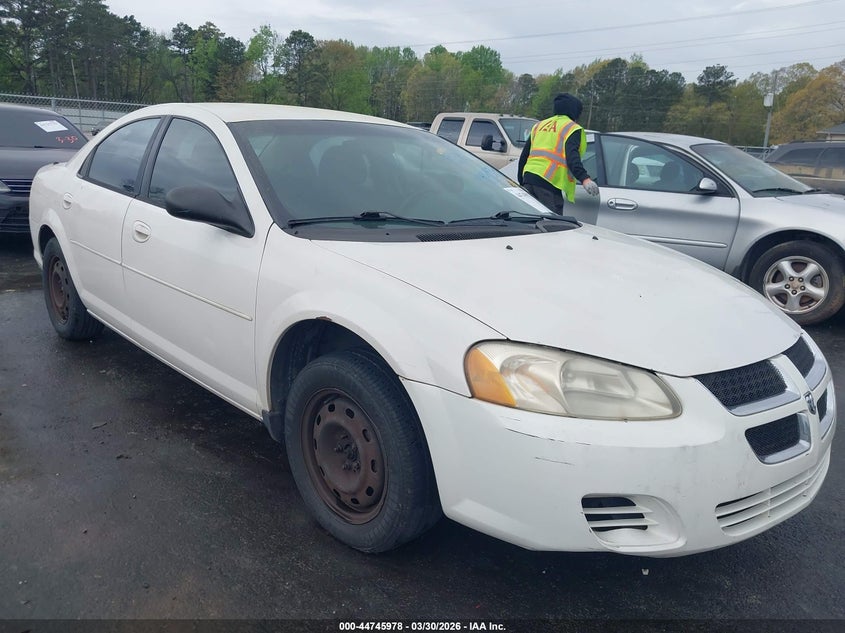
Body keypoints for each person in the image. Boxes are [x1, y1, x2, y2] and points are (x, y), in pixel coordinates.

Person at [517, 92, 599, 214]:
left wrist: (521, 180)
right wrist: (585, 179)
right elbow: (572, 157)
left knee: (530, 222)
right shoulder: (572, 128)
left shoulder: (539, 125)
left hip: (529, 179)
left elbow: (524, 156)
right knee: (552, 224)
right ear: (574, 112)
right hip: (548, 184)